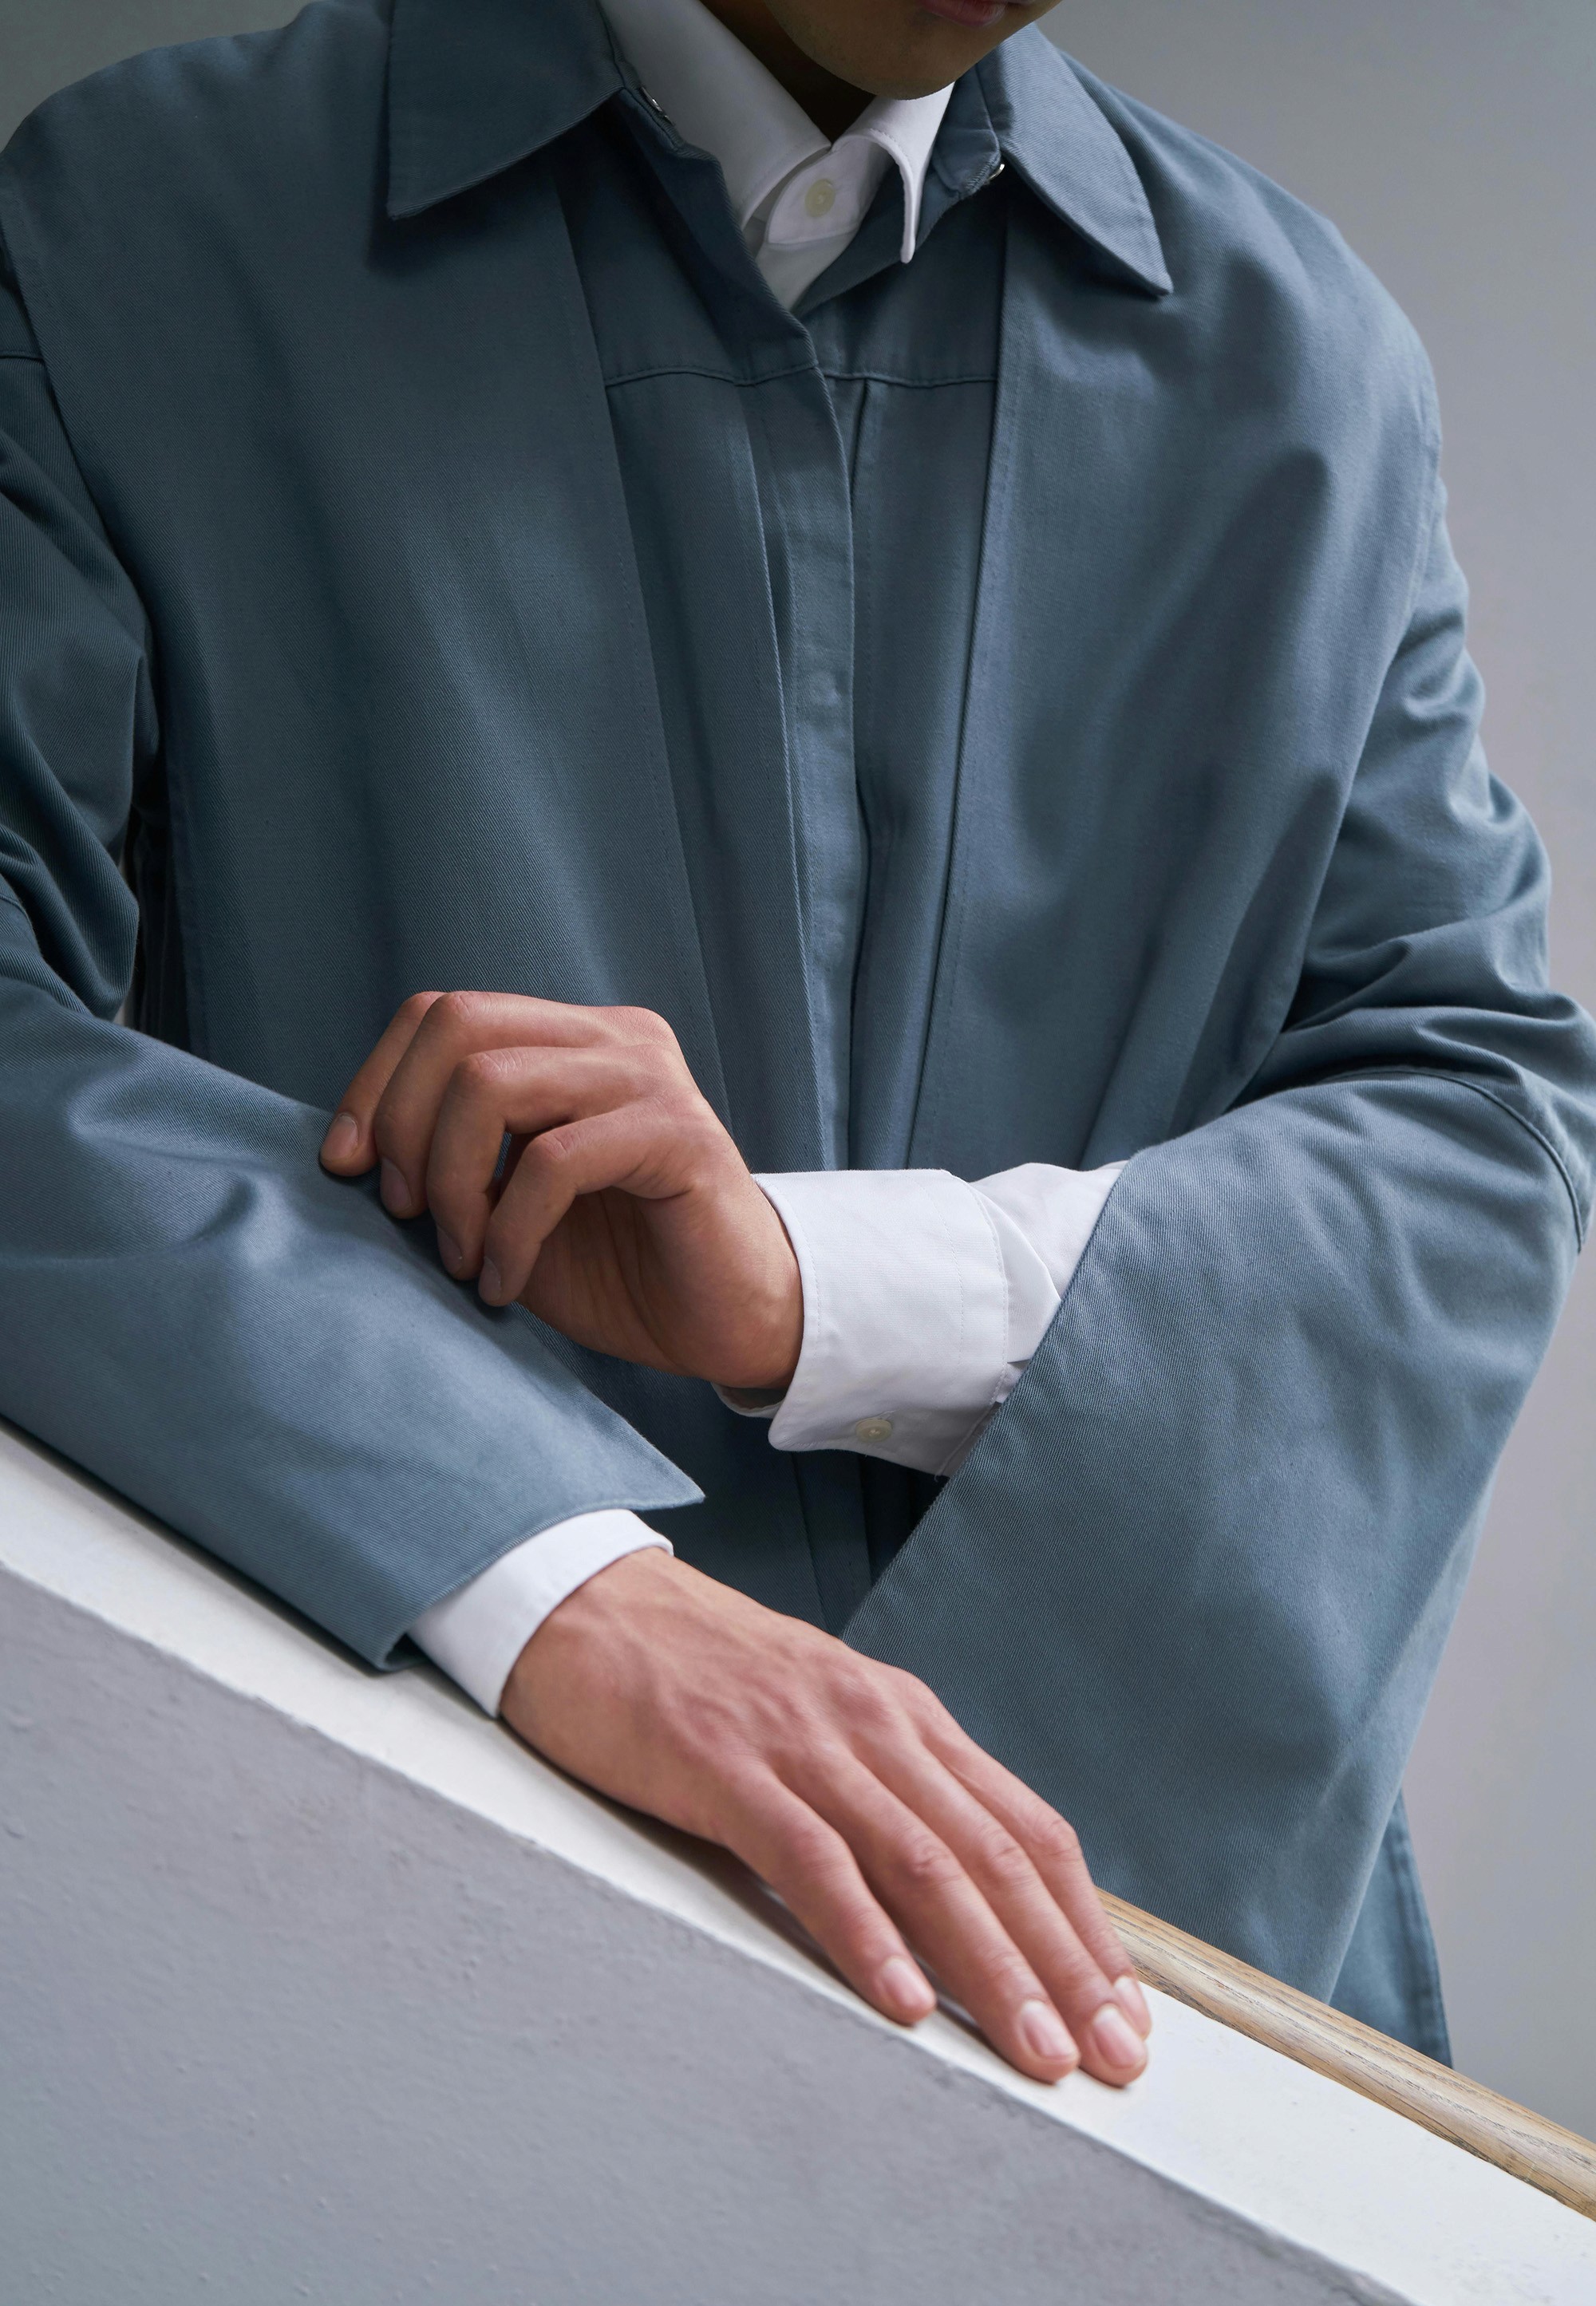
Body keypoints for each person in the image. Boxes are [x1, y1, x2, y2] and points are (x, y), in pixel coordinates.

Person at [1, 0, 1590, 2091]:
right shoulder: (140, 226)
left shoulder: (1313, 368)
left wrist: (812, 1285)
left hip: (1157, 2061)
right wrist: (545, 1578)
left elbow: (1477, 1122)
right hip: (401, 1981)